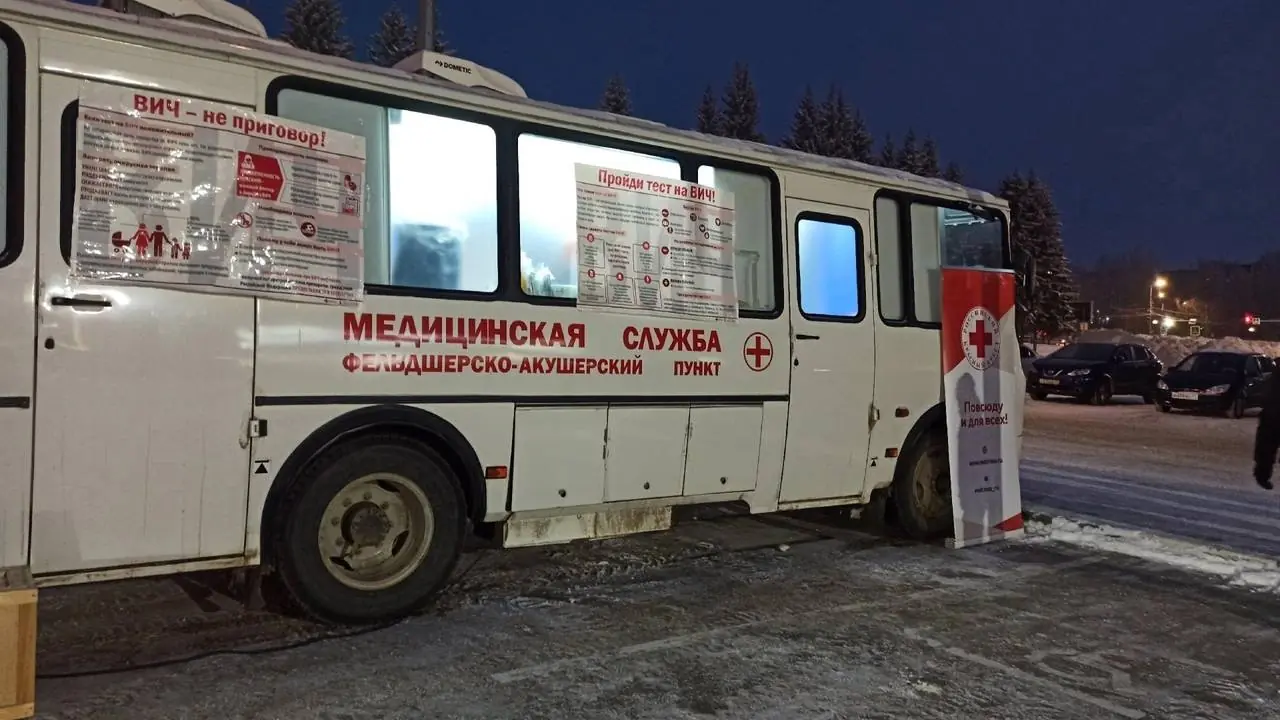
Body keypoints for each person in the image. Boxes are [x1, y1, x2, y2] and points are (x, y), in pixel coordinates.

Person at [1255, 371, 1280, 489]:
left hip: (1271, 416)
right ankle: (1262, 475)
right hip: (1272, 417)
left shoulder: (1272, 378)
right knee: (1266, 448)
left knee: (1266, 448)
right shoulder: (1273, 378)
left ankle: (1262, 475)